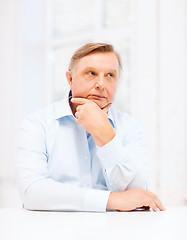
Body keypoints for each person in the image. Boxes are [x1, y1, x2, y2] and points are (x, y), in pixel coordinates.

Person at [17, 43, 165, 212]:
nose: (101, 84)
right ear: (70, 79)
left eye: (110, 75)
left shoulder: (130, 127)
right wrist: (111, 200)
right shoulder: (38, 124)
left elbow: (139, 195)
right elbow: (32, 192)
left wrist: (104, 133)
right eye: (91, 73)